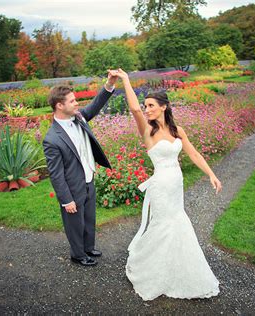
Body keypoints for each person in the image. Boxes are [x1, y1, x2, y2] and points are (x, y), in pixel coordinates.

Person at [114, 69, 222, 300]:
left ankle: (178, 268)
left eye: (151, 105)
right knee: (163, 225)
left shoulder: (177, 130)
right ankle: (152, 269)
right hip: (161, 187)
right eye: (146, 106)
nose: (147, 109)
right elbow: (133, 108)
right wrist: (125, 80)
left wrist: (211, 174)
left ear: (164, 106)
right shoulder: (147, 131)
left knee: (178, 222)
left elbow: (194, 155)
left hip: (176, 186)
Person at [43, 71, 118, 266]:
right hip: (72, 185)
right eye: (72, 101)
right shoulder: (52, 139)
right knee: (75, 222)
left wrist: (109, 84)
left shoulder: (79, 118)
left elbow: (95, 105)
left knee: (89, 217)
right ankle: (78, 254)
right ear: (60, 105)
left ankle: (88, 247)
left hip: (88, 178)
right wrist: (66, 200)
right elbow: (56, 174)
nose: (77, 104)